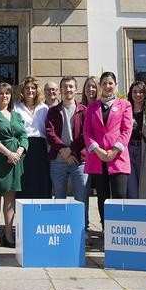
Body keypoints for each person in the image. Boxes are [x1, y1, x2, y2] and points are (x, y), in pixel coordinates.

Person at [0, 83, 28, 247]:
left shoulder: (15, 115)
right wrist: (8, 153)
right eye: (1, 93)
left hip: (15, 161)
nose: (4, 96)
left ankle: (8, 233)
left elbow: (24, 135)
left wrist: (18, 152)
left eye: (7, 94)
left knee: (10, 199)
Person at [83, 71, 132, 227]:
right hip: (98, 158)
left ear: (115, 85)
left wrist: (115, 150)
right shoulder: (92, 107)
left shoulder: (125, 105)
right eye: (104, 83)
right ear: (100, 86)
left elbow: (126, 129)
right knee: (102, 197)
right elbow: (87, 131)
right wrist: (97, 150)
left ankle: (120, 230)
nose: (107, 86)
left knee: (119, 195)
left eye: (110, 83)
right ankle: (106, 229)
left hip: (117, 157)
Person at [45, 76, 89, 229]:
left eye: (71, 87)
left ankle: (82, 229)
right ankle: (60, 228)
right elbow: (50, 133)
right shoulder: (53, 111)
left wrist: (71, 151)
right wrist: (64, 151)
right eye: (65, 87)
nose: (68, 89)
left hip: (80, 162)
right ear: (60, 90)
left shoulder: (84, 110)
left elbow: (86, 134)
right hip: (58, 161)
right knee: (59, 198)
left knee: (81, 198)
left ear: (76, 90)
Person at [14, 76, 52, 199]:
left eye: (33, 88)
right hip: (23, 147)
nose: (30, 90)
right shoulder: (16, 107)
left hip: (40, 147)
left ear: (37, 90)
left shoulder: (44, 108)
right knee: (25, 180)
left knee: (41, 181)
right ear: (22, 90)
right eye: (27, 88)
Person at [127, 81, 146, 200]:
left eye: (141, 92)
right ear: (131, 94)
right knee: (131, 188)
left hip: (144, 152)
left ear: (145, 94)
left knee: (144, 189)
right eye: (135, 92)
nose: (138, 94)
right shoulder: (126, 112)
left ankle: (144, 216)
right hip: (128, 152)